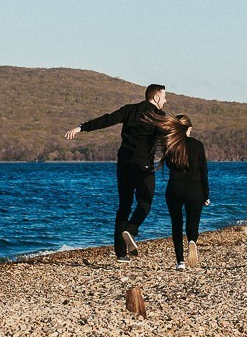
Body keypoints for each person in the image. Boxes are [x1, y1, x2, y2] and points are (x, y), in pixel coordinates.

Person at [64, 84, 167, 263]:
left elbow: (107, 119)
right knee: (145, 201)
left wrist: (81, 127)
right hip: (143, 165)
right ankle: (132, 230)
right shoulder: (159, 116)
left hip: (124, 164)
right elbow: (169, 138)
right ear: (156, 98)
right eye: (164, 97)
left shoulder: (130, 110)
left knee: (124, 205)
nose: (166, 100)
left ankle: (121, 254)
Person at [148, 113, 209, 269]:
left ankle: (180, 262)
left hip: (174, 189)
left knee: (176, 224)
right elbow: (203, 172)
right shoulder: (198, 145)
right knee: (192, 222)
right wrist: (206, 195)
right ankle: (192, 241)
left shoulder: (170, 145)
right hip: (194, 190)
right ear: (189, 128)